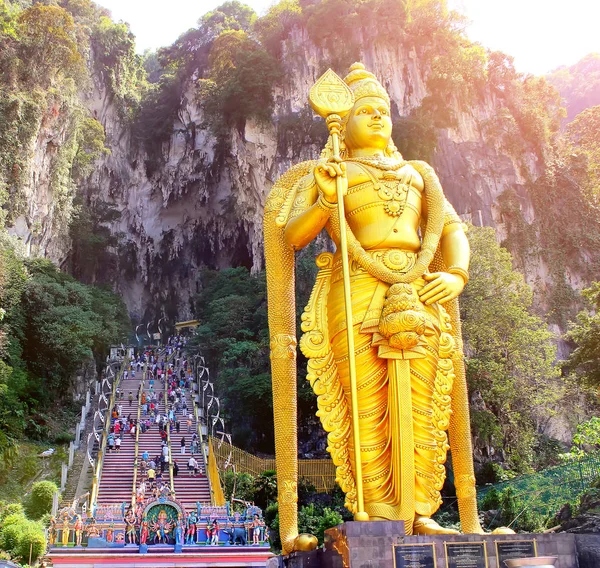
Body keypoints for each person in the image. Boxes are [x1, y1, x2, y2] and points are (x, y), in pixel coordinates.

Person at [265, 63, 482, 549]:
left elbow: (451, 232)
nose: (378, 117)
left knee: (426, 403)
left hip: (421, 288)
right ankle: (379, 511)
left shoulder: (419, 174)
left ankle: (423, 510)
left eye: (384, 109)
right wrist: (325, 199)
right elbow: (291, 238)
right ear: (346, 118)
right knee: (364, 402)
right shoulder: (333, 172)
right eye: (366, 111)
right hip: (357, 287)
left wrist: (456, 274)